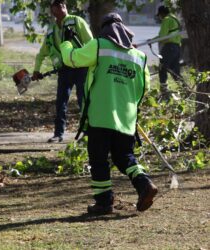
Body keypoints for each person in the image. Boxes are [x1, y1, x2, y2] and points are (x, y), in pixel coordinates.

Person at [60, 12, 158, 215]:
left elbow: (71, 59)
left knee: (98, 159)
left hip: (101, 116)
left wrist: (66, 42)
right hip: (127, 119)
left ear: (104, 30)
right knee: (125, 158)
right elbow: (144, 87)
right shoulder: (139, 57)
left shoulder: (98, 45)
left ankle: (104, 203)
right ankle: (145, 184)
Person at [32, 0, 93, 143]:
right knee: (61, 103)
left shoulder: (76, 21)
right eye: (57, 7)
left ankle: (87, 133)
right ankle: (58, 134)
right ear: (52, 10)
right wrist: (36, 70)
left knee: (82, 101)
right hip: (64, 71)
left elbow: (91, 43)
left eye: (62, 6)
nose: (61, 9)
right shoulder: (52, 29)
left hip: (81, 68)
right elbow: (42, 53)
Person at [154, 6, 182, 100]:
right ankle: (185, 90)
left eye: (159, 15)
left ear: (162, 14)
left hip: (169, 47)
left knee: (162, 68)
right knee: (175, 71)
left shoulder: (166, 20)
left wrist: (151, 40)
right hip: (177, 47)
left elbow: (163, 36)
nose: (159, 18)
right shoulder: (175, 19)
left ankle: (164, 92)